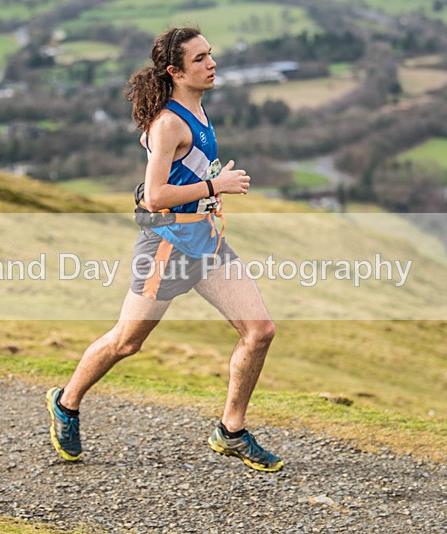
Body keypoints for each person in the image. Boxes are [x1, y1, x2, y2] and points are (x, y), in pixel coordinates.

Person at [46, 27, 283, 472]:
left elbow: (174, 168)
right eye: (199, 59)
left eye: (211, 54)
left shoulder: (195, 109)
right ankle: (67, 402)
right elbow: (154, 195)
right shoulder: (169, 121)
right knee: (126, 342)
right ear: (175, 71)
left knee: (260, 331)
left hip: (207, 241)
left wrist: (207, 187)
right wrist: (217, 184)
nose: (211, 63)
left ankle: (230, 431)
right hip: (167, 246)